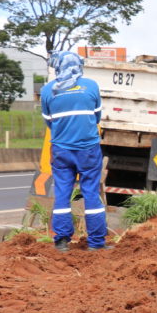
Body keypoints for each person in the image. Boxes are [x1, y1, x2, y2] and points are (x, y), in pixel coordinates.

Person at [40, 51, 109, 252]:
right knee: (91, 193)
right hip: (88, 150)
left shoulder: (47, 91)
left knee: (62, 193)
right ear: (78, 65)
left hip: (61, 150)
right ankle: (96, 243)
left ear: (57, 67)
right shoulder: (91, 86)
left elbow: (49, 121)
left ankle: (61, 241)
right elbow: (96, 117)